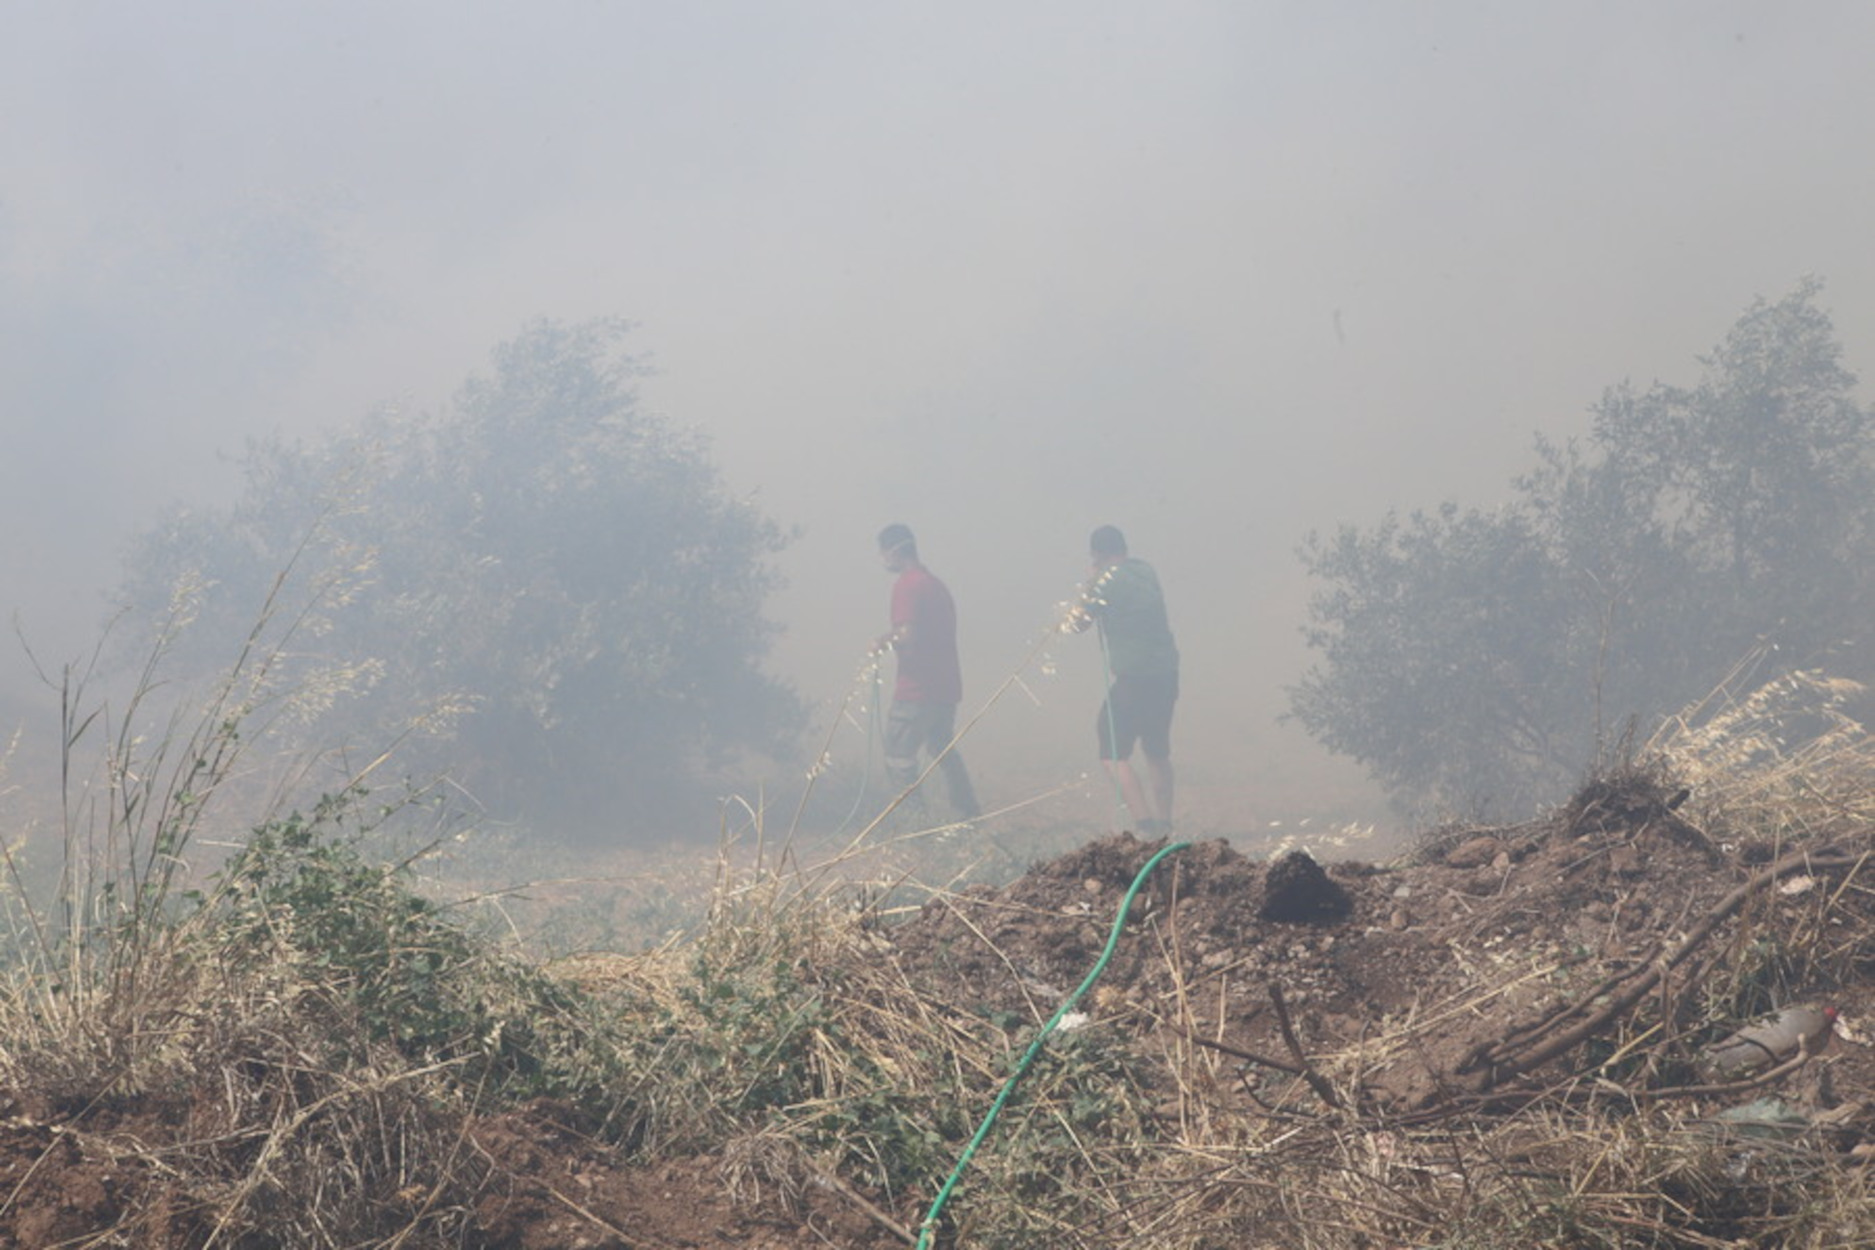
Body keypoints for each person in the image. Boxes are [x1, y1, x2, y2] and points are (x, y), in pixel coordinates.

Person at [1072, 525, 1179, 835]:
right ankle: (1165, 823)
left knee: (1112, 752)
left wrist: (1091, 580)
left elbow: (1078, 623)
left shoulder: (1104, 581)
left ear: (1097, 553)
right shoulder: (1146, 570)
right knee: (1157, 751)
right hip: (1167, 673)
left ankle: (1144, 825)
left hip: (1134, 678)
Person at [874, 524, 980, 821]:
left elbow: (906, 633)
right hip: (945, 689)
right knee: (943, 751)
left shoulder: (907, 585)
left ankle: (917, 829)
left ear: (894, 550)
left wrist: (881, 642)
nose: (883, 559)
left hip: (916, 690)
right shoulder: (935, 584)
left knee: (897, 758)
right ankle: (969, 815)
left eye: (883, 552)